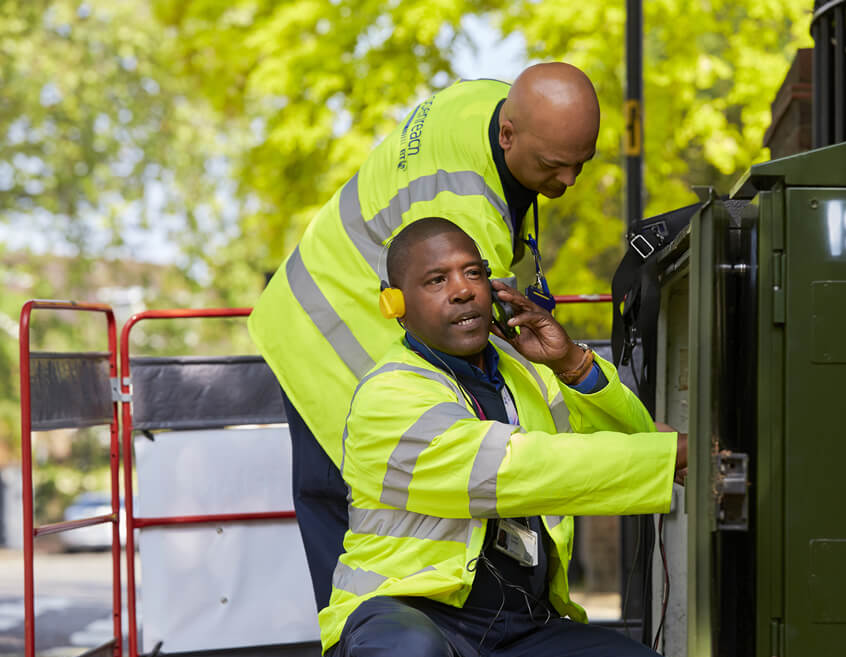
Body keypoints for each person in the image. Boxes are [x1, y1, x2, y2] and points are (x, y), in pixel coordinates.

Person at [248, 63, 602, 609]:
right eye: (555, 166)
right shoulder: (463, 217)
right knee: (373, 549)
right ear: (508, 134)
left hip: (314, 318)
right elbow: (499, 355)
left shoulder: (485, 103)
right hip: (332, 343)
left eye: (582, 163)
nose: (570, 181)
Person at [319, 218, 687, 657]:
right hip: (409, 612)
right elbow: (508, 469)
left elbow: (633, 443)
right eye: (437, 279)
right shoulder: (390, 393)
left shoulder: (528, 375)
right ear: (395, 303)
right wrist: (666, 455)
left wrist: (571, 362)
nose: (463, 290)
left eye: (474, 273)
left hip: (523, 626)